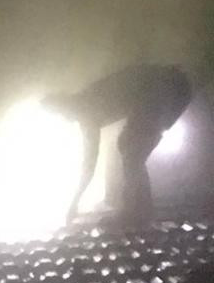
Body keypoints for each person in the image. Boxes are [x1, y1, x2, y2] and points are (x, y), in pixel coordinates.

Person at [43, 64, 192, 224]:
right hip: (173, 87)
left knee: (131, 146)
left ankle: (133, 212)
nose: (63, 118)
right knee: (129, 145)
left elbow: (89, 165)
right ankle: (141, 210)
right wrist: (75, 202)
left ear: (65, 106)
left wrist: (74, 203)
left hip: (168, 88)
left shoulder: (87, 111)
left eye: (59, 113)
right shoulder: (86, 101)